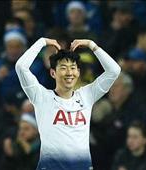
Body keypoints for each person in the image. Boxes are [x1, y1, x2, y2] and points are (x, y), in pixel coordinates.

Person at [15, 38, 121, 169]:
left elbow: (114, 70)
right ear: (53, 72)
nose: (69, 73)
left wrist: (92, 45)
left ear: (78, 72)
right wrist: (42, 42)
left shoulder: (86, 96)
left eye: (73, 68)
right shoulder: (41, 97)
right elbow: (21, 66)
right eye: (63, 68)